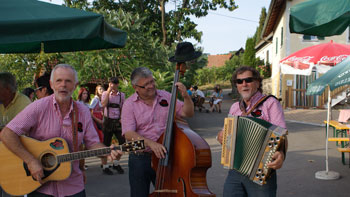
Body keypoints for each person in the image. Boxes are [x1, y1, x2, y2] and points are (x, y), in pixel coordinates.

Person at [0, 64, 122, 197]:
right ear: (52, 85)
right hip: (40, 188)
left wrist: (107, 152)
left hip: (73, 187)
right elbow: (7, 134)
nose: (63, 85)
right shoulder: (38, 107)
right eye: (59, 81)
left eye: (68, 81)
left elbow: (92, 143)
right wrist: (30, 160)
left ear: (75, 86)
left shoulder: (83, 112)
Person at [121, 42, 200, 197]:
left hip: (166, 156)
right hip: (141, 158)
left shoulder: (165, 95)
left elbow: (187, 113)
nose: (151, 86)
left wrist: (186, 96)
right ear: (135, 88)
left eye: (152, 81)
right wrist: (151, 144)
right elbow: (128, 133)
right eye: (146, 85)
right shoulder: (129, 104)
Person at [217, 66, 287, 197]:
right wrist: (220, 136)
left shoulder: (270, 103)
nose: (244, 84)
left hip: (261, 171)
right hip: (235, 169)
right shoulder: (234, 107)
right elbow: (225, 133)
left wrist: (281, 154)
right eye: (239, 81)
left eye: (248, 80)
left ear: (257, 82)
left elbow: (281, 134)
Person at [101, 77, 125, 175]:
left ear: (117, 84)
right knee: (105, 144)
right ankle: (105, 166)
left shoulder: (122, 95)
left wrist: (122, 118)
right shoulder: (105, 94)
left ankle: (116, 163)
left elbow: (123, 107)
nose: (113, 85)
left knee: (122, 143)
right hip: (108, 121)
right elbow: (103, 104)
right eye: (111, 83)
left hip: (117, 121)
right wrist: (108, 92)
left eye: (115, 83)